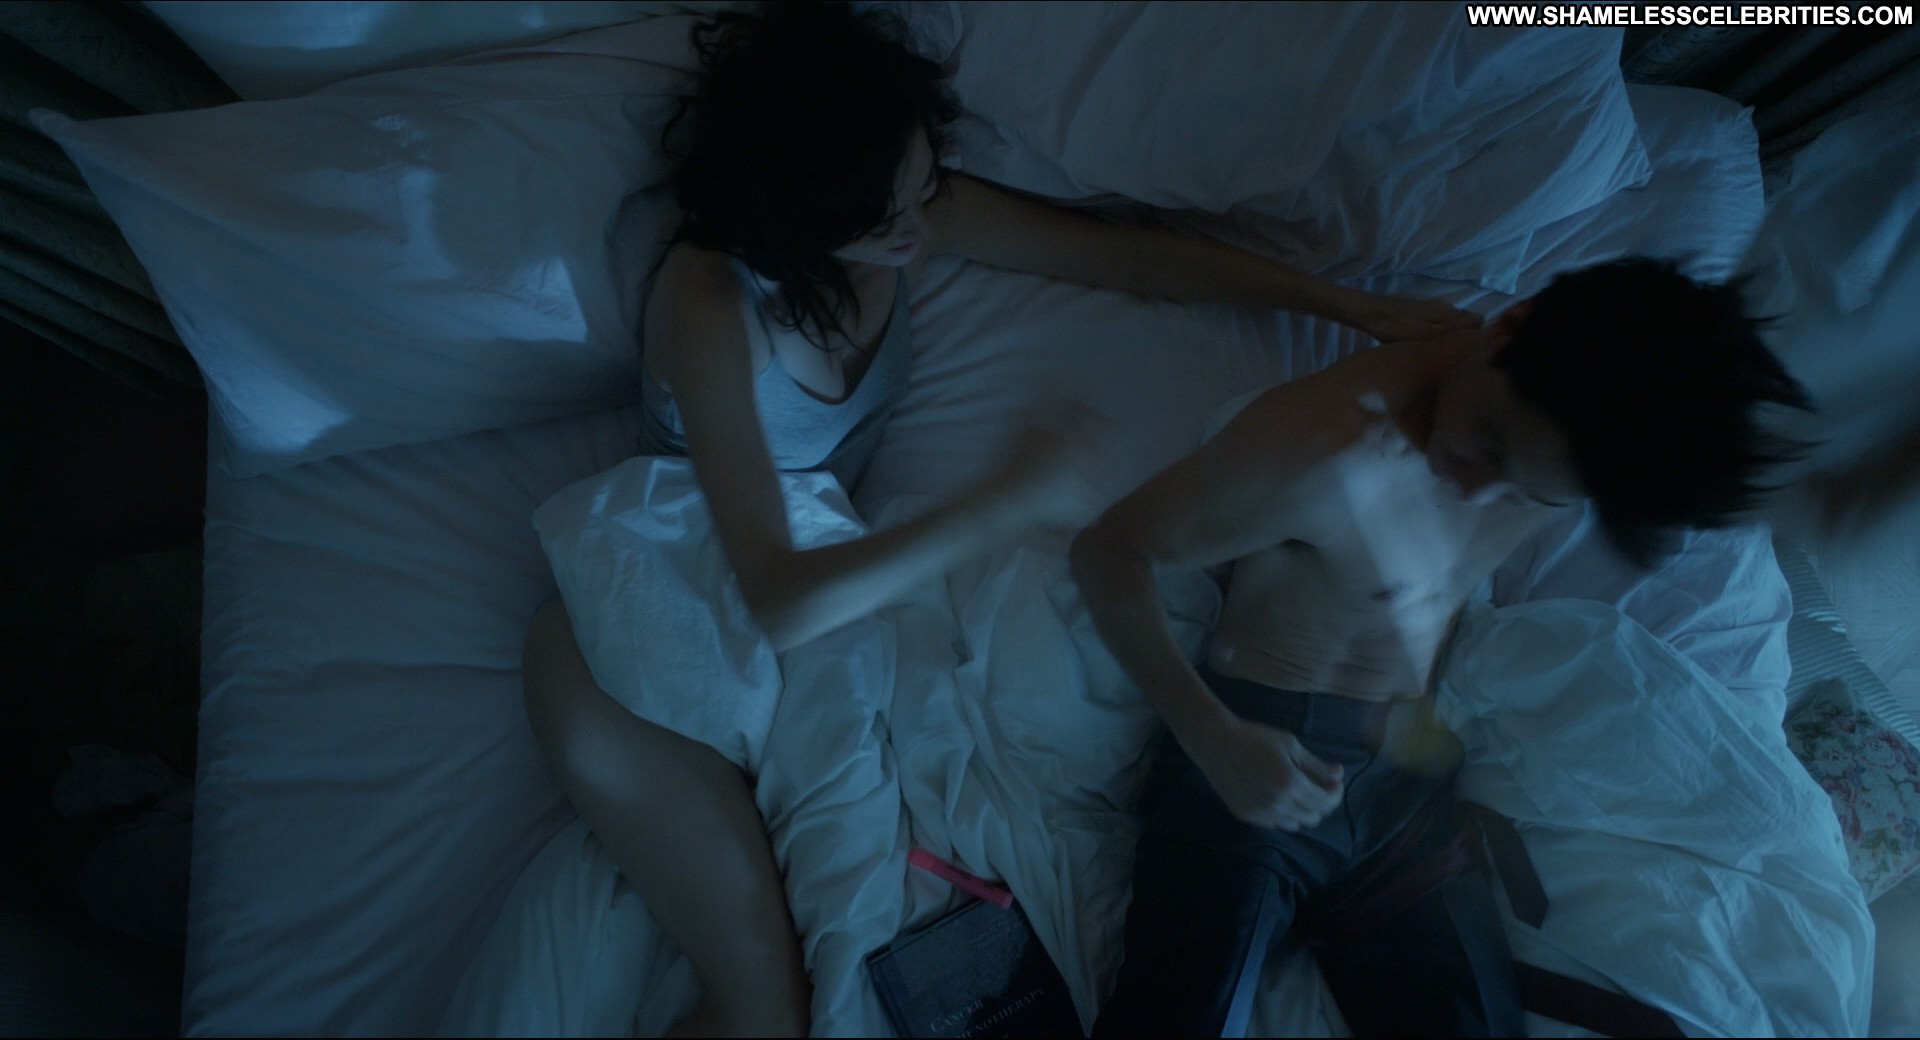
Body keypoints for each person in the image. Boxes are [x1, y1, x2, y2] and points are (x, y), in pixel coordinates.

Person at [518, 3, 1476, 1035]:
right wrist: (1004, 501)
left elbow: (1128, 261)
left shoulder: (905, 214)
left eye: (923, 183)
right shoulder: (714, 301)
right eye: (882, 216)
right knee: (768, 1006)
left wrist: (1351, 306)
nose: (916, 226)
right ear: (796, 218)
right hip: (640, 634)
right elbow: (779, 596)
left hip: (774, 639)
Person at [1069, 257, 1816, 1037]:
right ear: (1510, 326)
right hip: (1257, 758)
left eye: (1525, 490)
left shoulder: (1575, 438)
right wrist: (1210, 737)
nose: (1476, 489)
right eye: (1488, 443)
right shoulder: (1325, 446)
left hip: (1405, 786)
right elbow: (1109, 551)